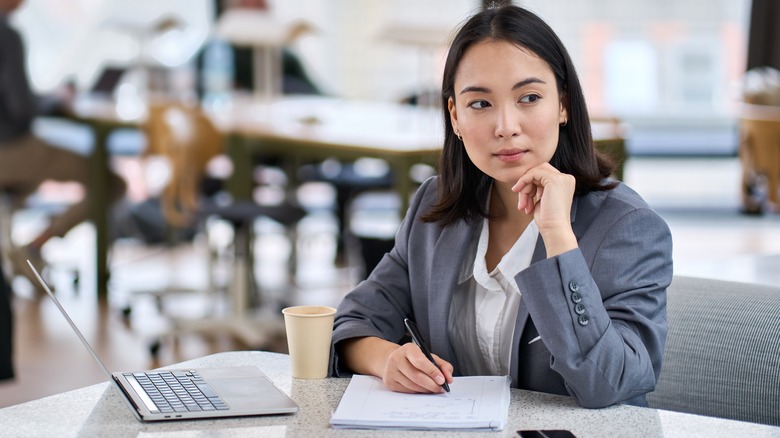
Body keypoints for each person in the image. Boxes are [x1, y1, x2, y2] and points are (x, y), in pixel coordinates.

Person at [329, 5, 673, 409]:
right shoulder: (435, 207)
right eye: (480, 104)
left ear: (562, 105)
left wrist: (559, 238)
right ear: (454, 116)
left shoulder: (628, 226)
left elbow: (609, 384)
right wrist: (388, 360)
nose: (506, 126)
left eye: (529, 98)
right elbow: (352, 325)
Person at [0, 0, 126, 288]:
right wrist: (54, 100)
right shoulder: (7, 35)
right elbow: (21, 109)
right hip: (10, 150)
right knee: (110, 181)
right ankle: (34, 247)